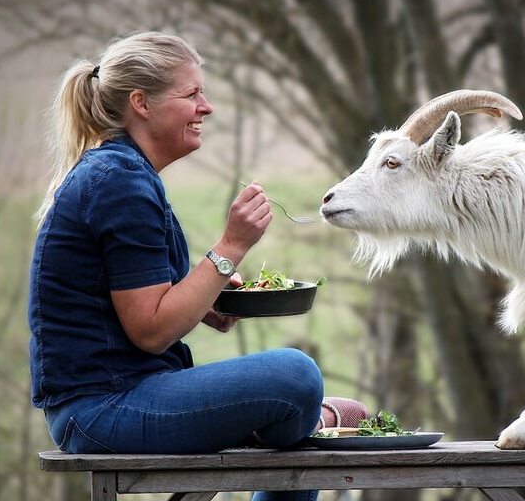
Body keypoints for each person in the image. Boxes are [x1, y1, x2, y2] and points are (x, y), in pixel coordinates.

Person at [28, 31, 365, 501]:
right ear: (141, 103)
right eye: (191, 94)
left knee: (293, 417)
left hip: (118, 400)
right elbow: (150, 330)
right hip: (103, 409)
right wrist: (231, 245)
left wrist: (210, 293)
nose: (206, 107)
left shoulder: (124, 173)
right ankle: (310, 417)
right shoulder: (118, 181)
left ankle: (293, 420)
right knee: (296, 378)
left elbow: (141, 301)